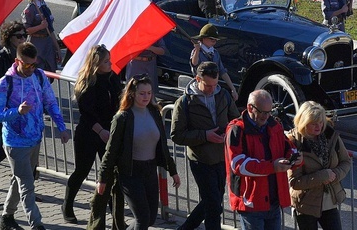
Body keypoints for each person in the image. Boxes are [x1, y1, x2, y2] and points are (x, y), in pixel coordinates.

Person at [0, 42, 70, 230]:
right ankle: (36, 224)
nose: (31, 68)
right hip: (15, 142)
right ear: (17, 61)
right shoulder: (6, 83)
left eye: (34, 64)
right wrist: (17, 112)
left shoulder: (38, 76)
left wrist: (61, 127)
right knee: (27, 184)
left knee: (19, 178)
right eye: (27, 65)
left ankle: (6, 217)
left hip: (35, 139)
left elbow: (51, 102)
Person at [96, 75, 181, 230]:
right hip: (130, 173)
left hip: (150, 171)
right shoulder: (122, 117)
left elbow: (163, 146)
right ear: (132, 94)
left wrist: (173, 171)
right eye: (142, 93)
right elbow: (111, 151)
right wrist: (102, 179)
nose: (146, 97)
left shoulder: (155, 113)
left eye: (149, 93)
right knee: (142, 218)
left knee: (150, 218)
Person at [170, 62, 240, 230]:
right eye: (208, 85)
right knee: (214, 205)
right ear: (197, 79)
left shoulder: (223, 94)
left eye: (215, 85)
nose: (211, 89)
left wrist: (229, 133)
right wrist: (205, 135)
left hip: (222, 157)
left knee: (212, 202)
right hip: (200, 159)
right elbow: (176, 135)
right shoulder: (185, 102)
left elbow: (235, 121)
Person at [62, 45, 125, 228]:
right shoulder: (87, 81)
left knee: (111, 174)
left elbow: (119, 102)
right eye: (106, 61)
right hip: (89, 133)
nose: (110, 63)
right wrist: (101, 131)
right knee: (82, 170)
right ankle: (67, 205)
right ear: (96, 63)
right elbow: (87, 113)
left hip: (109, 132)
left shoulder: (113, 77)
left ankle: (116, 216)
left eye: (110, 60)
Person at [225, 89, 301, 230]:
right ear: (250, 108)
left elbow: (288, 147)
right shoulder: (237, 130)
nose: (266, 116)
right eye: (263, 112)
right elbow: (238, 164)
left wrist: (295, 158)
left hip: (273, 201)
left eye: (269, 112)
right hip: (251, 203)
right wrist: (272, 167)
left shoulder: (275, 125)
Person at [286, 101, 350, 230]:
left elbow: (346, 162)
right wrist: (322, 176)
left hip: (330, 201)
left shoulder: (331, 136)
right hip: (306, 204)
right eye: (314, 123)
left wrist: (335, 174)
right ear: (303, 122)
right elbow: (295, 182)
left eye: (321, 122)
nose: (319, 126)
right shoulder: (294, 142)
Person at [0, 22, 28, 165]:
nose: (23, 39)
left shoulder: (23, 58)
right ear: (9, 38)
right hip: (1, 109)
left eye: (25, 35)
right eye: (19, 36)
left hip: (16, 110)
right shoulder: (1, 58)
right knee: (1, 150)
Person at [190, 24, 238, 101]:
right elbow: (194, 64)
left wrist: (233, 89)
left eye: (216, 40)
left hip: (213, 87)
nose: (214, 42)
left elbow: (222, 72)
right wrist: (197, 50)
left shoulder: (215, 53)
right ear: (203, 38)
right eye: (212, 39)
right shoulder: (197, 51)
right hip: (200, 86)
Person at [22, 0, 60, 72]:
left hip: (47, 43)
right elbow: (26, 30)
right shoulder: (31, 9)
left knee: (50, 70)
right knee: (36, 70)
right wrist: (40, 27)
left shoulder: (44, 7)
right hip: (36, 43)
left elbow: (50, 29)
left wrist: (57, 48)